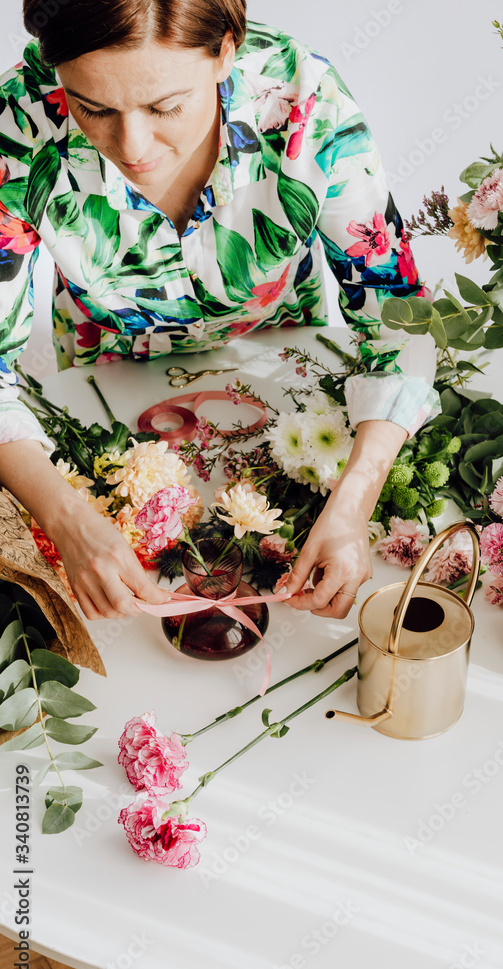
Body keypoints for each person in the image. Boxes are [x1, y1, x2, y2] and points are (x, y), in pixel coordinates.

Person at [0, 0, 439, 622]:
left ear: (225, 50)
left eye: (164, 106)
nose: (132, 146)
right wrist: (66, 518)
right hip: (110, 380)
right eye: (92, 108)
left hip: (288, 361)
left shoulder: (305, 103)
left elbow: (399, 314)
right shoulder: (19, 127)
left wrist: (353, 505)